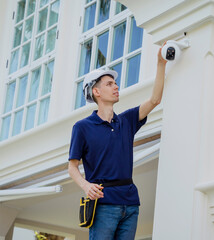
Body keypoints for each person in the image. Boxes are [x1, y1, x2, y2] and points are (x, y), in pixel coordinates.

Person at [68, 45, 167, 240]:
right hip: (103, 205)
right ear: (96, 91)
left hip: (130, 203)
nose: (116, 87)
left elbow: (155, 100)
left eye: (115, 83)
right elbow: (72, 167)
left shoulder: (127, 121)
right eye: (110, 84)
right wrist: (86, 186)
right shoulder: (82, 127)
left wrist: (160, 64)